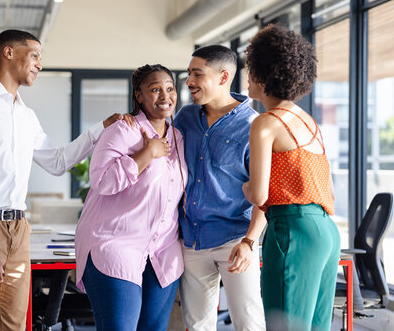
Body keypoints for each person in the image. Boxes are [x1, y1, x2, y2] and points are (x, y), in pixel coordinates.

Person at [0, 29, 129, 331]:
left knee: (13, 324)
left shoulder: (25, 115)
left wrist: (100, 129)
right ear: (8, 52)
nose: (39, 65)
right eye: (35, 55)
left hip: (17, 228)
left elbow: (57, 162)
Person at [74, 64, 187, 330]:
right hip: (115, 245)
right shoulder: (122, 131)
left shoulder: (179, 137)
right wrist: (146, 154)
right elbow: (101, 181)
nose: (165, 96)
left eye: (170, 89)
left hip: (163, 251)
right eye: (155, 89)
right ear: (138, 95)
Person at [242, 24, 341, 330]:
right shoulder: (308, 120)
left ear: (262, 73)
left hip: (292, 231)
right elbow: (329, 192)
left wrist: (243, 185)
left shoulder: (266, 123)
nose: (246, 76)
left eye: (249, 68)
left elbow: (258, 196)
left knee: (285, 325)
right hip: (325, 231)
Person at [174, 45, 266, 331]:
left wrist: (250, 242)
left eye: (197, 74)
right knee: (197, 324)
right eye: (189, 73)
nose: (189, 81)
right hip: (191, 238)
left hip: (235, 239)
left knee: (248, 322)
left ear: (223, 77)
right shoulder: (185, 118)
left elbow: (265, 194)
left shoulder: (253, 126)